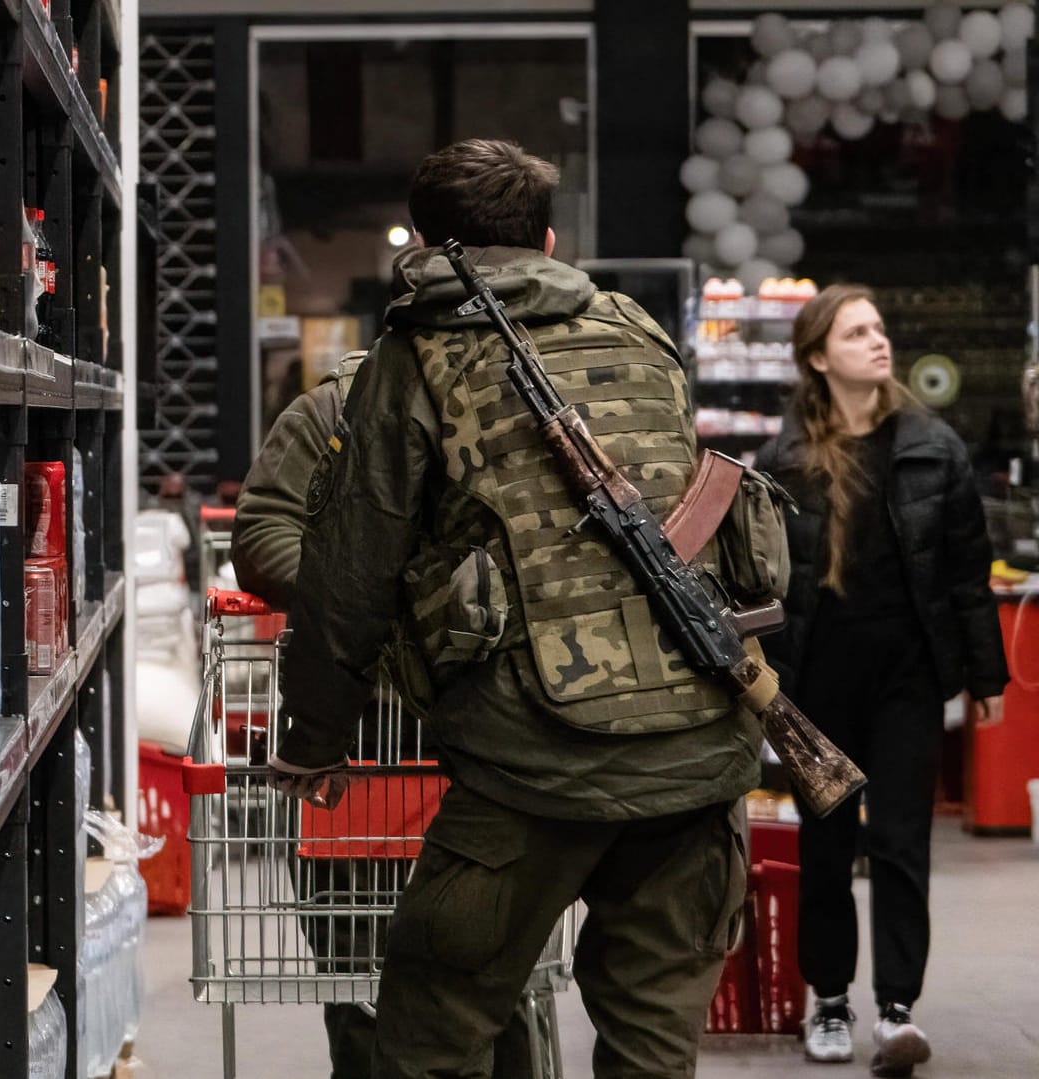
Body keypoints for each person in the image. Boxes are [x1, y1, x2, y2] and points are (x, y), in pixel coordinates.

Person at [270, 138, 761, 1079]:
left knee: (429, 1034)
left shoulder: (413, 358)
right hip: (699, 742)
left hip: (531, 760)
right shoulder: (635, 326)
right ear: (545, 238)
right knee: (653, 1045)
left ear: (420, 240)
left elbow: (349, 572)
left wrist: (316, 737)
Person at [233, 354, 542, 1079]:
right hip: (362, 752)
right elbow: (262, 533)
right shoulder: (335, 411)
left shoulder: (525, 399)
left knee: (501, 992)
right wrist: (387, 599)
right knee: (360, 986)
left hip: (497, 744)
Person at [754, 285, 1007, 1077]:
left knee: (901, 843)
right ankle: (830, 998)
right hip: (816, 681)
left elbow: (967, 573)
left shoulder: (935, 445)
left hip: (907, 676)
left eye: (880, 328)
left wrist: (985, 675)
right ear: (819, 356)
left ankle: (899, 1007)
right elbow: (760, 579)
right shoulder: (784, 458)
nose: (878, 342)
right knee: (827, 846)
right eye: (857, 332)